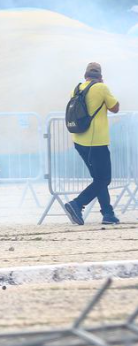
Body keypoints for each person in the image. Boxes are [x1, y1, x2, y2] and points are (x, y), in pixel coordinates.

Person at [65, 62, 120, 226]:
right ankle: (77, 204)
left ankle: (108, 213)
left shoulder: (76, 89)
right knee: (104, 179)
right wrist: (103, 87)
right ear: (100, 76)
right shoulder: (102, 88)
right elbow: (115, 107)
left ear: (85, 76)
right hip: (97, 142)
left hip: (79, 140)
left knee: (98, 178)